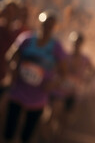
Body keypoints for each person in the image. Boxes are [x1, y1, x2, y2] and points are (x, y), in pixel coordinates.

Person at [2, 10, 67, 143]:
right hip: (18, 92)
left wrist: (53, 84)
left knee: (26, 136)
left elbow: (63, 73)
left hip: (39, 98)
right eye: (44, 24)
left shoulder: (56, 47)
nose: (47, 28)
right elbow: (10, 56)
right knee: (9, 132)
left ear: (54, 27)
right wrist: (13, 69)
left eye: (50, 25)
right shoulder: (26, 39)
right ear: (40, 23)